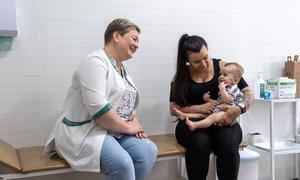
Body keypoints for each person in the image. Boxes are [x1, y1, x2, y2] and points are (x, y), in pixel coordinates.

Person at [45, 18, 157, 180]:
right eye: (134, 38)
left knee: (148, 151)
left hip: (114, 130)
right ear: (116, 36)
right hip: (86, 131)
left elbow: (126, 103)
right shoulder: (94, 63)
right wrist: (129, 128)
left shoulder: (122, 68)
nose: (138, 45)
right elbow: (100, 110)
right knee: (122, 163)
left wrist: (135, 122)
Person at [169, 34, 253, 180]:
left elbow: (248, 93)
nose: (203, 64)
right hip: (193, 123)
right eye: (196, 62)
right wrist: (200, 108)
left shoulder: (223, 67)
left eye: (205, 57)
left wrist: (239, 108)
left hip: (221, 119)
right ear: (187, 60)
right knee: (200, 144)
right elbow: (173, 108)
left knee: (227, 143)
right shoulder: (180, 76)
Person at [173, 62, 245, 131]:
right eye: (221, 74)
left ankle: (195, 125)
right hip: (221, 110)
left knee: (211, 118)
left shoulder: (233, 89)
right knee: (202, 115)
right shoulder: (226, 87)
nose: (221, 77)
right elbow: (219, 102)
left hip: (227, 114)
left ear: (235, 80)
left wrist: (222, 89)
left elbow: (228, 100)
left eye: (225, 75)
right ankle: (184, 115)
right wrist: (209, 100)